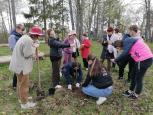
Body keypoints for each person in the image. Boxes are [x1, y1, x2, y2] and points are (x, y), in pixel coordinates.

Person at [113, 25, 153, 99]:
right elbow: (128, 55)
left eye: (117, 48)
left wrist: (115, 60)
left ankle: (136, 94)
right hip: (141, 59)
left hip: (145, 59)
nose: (118, 50)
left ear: (119, 46)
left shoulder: (127, 41)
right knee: (133, 74)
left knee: (138, 78)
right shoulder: (128, 45)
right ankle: (130, 90)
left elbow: (124, 53)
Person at [9, 26, 43, 109]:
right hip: (21, 66)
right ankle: (25, 103)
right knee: (24, 84)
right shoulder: (28, 40)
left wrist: (33, 45)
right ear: (34, 35)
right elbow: (27, 54)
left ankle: (22, 98)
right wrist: (35, 49)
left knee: (19, 83)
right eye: (38, 36)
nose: (38, 37)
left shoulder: (25, 37)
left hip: (17, 64)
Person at [8, 24, 25, 90]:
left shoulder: (20, 36)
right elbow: (13, 48)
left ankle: (20, 84)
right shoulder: (12, 36)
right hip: (17, 57)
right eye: (22, 29)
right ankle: (15, 85)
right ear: (17, 29)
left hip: (22, 56)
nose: (23, 31)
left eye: (23, 30)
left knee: (21, 71)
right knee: (17, 71)